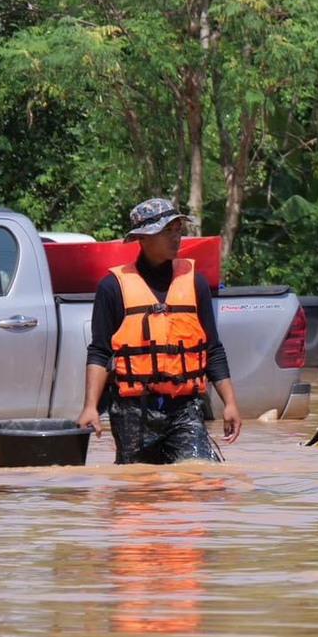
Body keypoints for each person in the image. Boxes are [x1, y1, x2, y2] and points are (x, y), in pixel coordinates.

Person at [76, 198, 241, 463]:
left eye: (178, 229)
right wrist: (90, 408)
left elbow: (212, 349)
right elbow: (99, 352)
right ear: (143, 237)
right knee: (139, 492)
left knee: (200, 476)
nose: (177, 237)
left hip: (185, 409)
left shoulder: (195, 283)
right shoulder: (112, 288)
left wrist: (230, 403)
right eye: (168, 230)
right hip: (133, 412)